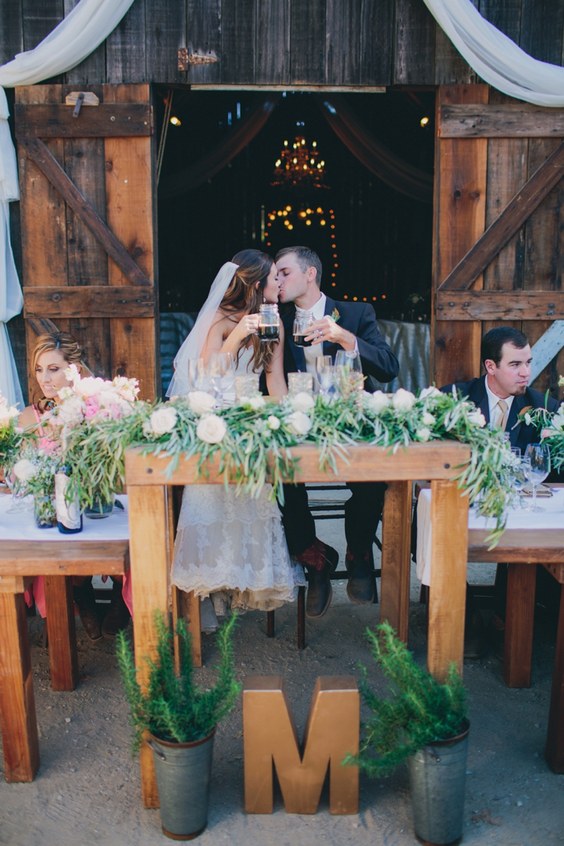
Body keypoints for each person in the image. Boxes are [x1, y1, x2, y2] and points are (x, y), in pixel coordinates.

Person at [169, 249, 304, 614]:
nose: (280, 283)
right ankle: (207, 599)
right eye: (275, 277)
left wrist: (290, 419)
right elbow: (205, 380)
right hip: (211, 421)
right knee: (212, 505)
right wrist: (235, 337)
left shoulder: (272, 321)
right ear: (257, 284)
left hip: (249, 423)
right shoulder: (220, 319)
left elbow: (274, 381)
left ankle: (245, 582)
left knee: (250, 505)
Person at [275, 246, 399, 618]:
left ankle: (358, 550)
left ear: (310, 274)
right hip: (296, 426)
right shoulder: (274, 318)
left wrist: (345, 337)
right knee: (280, 475)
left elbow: (389, 368)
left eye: (284, 273)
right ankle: (314, 557)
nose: (277, 280)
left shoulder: (357, 313)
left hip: (350, 425)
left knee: (373, 474)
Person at [441, 325, 560, 656]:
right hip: (462, 499)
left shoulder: (544, 408)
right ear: (490, 367)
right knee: (432, 529)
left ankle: (508, 616)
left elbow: (549, 467)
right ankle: (463, 618)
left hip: (515, 503)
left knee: (538, 538)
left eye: (529, 363)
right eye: (515, 365)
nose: (526, 373)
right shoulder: (454, 399)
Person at [19, 331, 130, 641]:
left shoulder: (98, 410)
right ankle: (83, 596)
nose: (44, 378)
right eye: (39, 369)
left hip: (99, 502)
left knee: (125, 525)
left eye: (53, 369)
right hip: (58, 508)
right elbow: (19, 471)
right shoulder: (31, 417)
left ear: (73, 370)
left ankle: (121, 597)